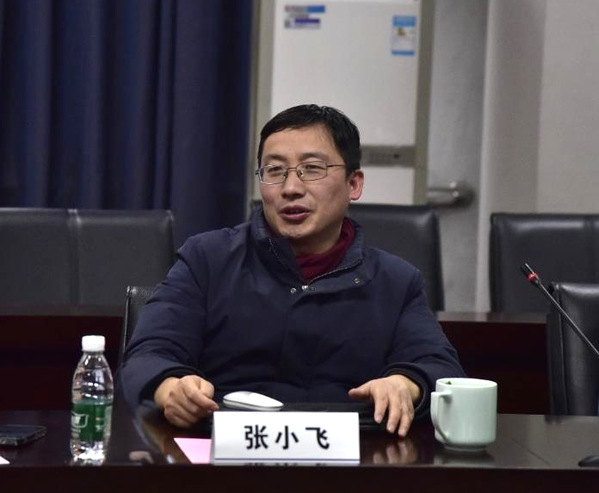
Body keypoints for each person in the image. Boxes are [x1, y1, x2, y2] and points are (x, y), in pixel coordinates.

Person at [120, 104, 465, 437]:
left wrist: (404, 384)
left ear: (354, 184)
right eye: (274, 171)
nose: (291, 188)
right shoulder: (207, 259)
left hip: (354, 457)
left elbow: (442, 369)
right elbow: (148, 354)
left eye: (312, 169)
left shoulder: (396, 281)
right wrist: (171, 389)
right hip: (223, 451)